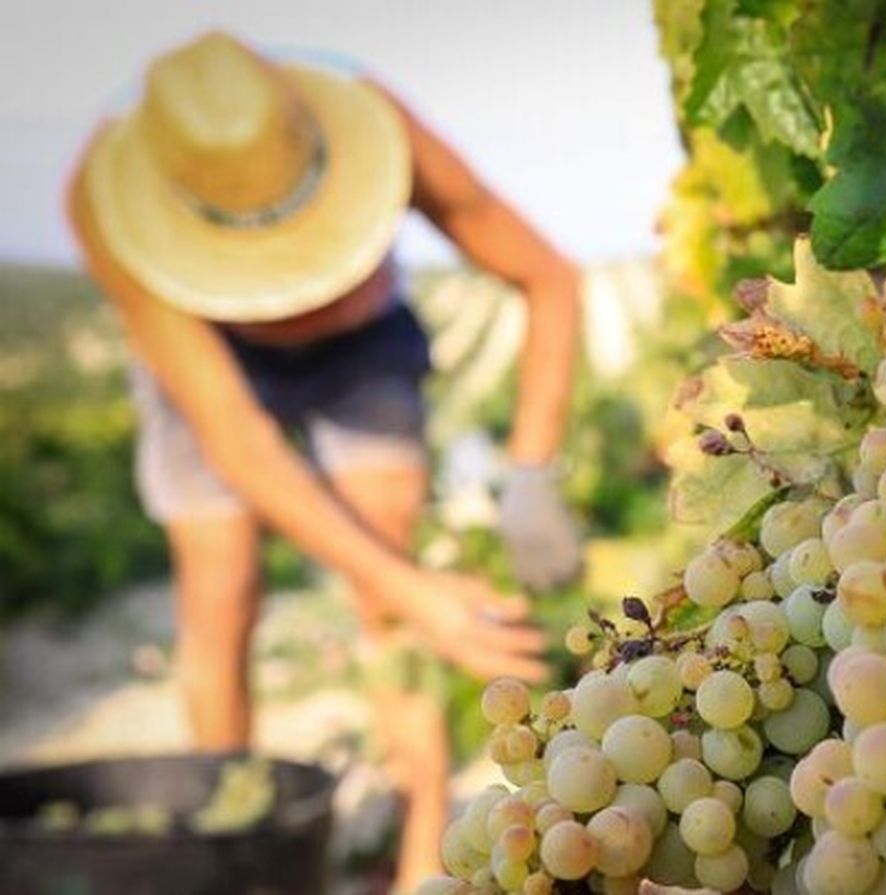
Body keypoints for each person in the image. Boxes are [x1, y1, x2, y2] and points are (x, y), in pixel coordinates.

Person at [65, 31, 583, 888]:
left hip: (361, 344)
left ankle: (423, 860)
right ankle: (226, 841)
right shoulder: (104, 199)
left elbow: (549, 278)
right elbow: (239, 440)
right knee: (219, 586)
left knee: (386, 585)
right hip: (207, 356)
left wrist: (532, 473)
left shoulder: (385, 131)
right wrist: (422, 595)